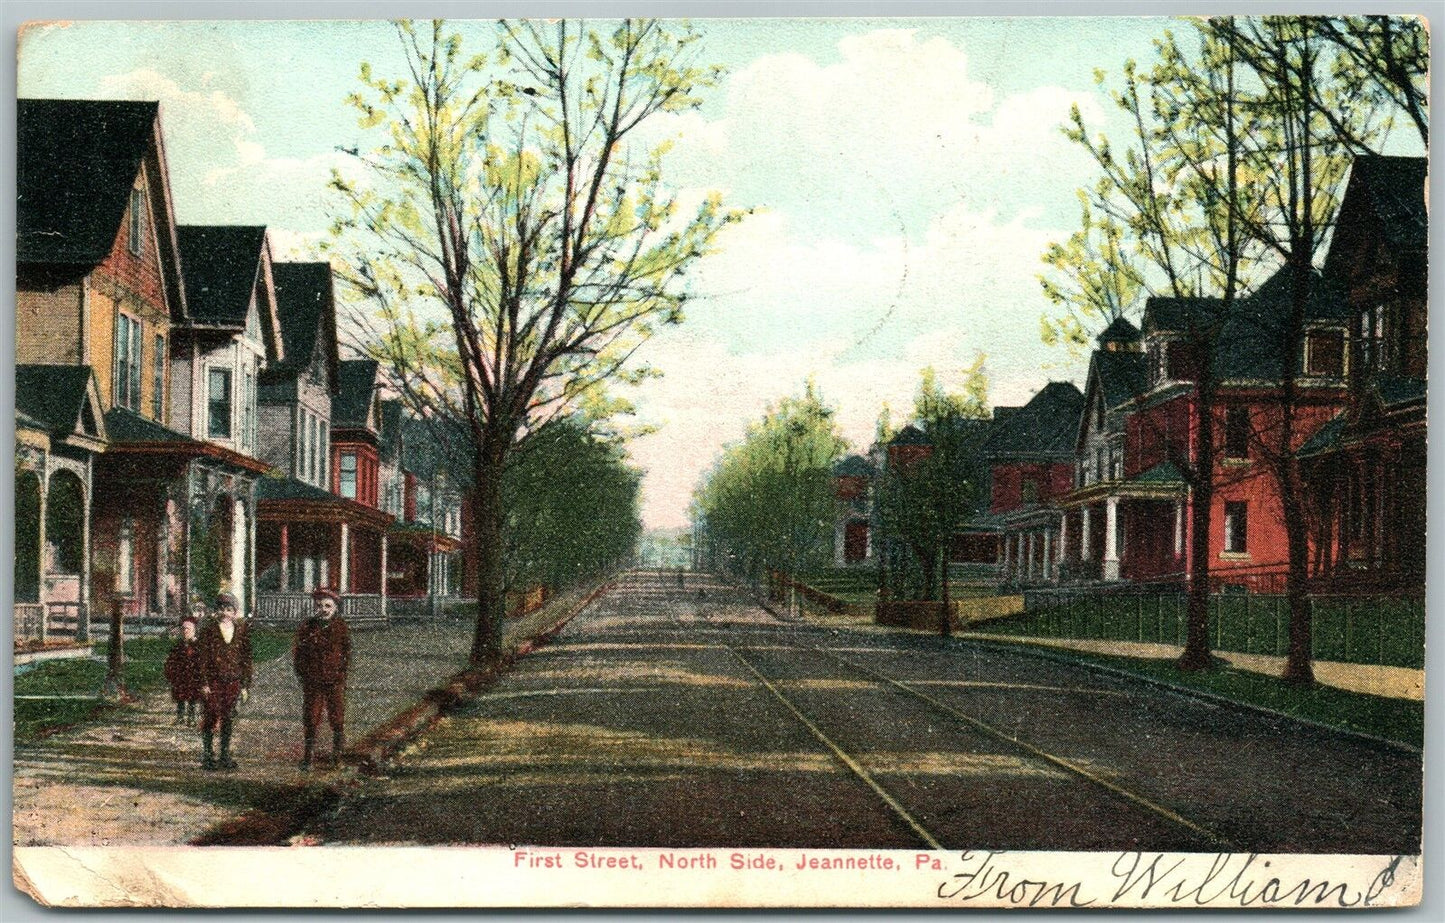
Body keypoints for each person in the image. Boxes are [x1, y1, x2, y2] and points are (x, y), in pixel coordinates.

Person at [292, 587, 351, 771]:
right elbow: (298, 654)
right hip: (313, 681)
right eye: (320, 605)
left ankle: (337, 756)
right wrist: (303, 674)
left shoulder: (340, 627)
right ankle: (308, 757)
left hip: (334, 681)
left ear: (335, 608)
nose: (324, 609)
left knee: (337, 717)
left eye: (328, 605)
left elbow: (346, 653)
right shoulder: (308, 627)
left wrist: (341, 673)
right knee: (311, 718)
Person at [198, 592, 252, 771]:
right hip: (213, 681)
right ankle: (207, 755)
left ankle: (224, 754)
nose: (225, 613)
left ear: (234, 612)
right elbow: (203, 658)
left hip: (233, 681)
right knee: (211, 715)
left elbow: (246, 659)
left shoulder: (241, 630)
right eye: (221, 609)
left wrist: (245, 685)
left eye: (229, 609)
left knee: (228, 717)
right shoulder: (208, 630)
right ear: (216, 611)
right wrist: (204, 682)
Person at [164, 613, 203, 726]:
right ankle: (180, 717)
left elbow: (201, 662)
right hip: (180, 676)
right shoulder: (178, 646)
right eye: (183, 629)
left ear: (194, 631)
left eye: (188, 629)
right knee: (180, 697)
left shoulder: (198, 646)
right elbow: (171, 660)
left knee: (192, 698)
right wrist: (170, 673)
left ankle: (192, 718)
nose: (185, 631)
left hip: (193, 676)